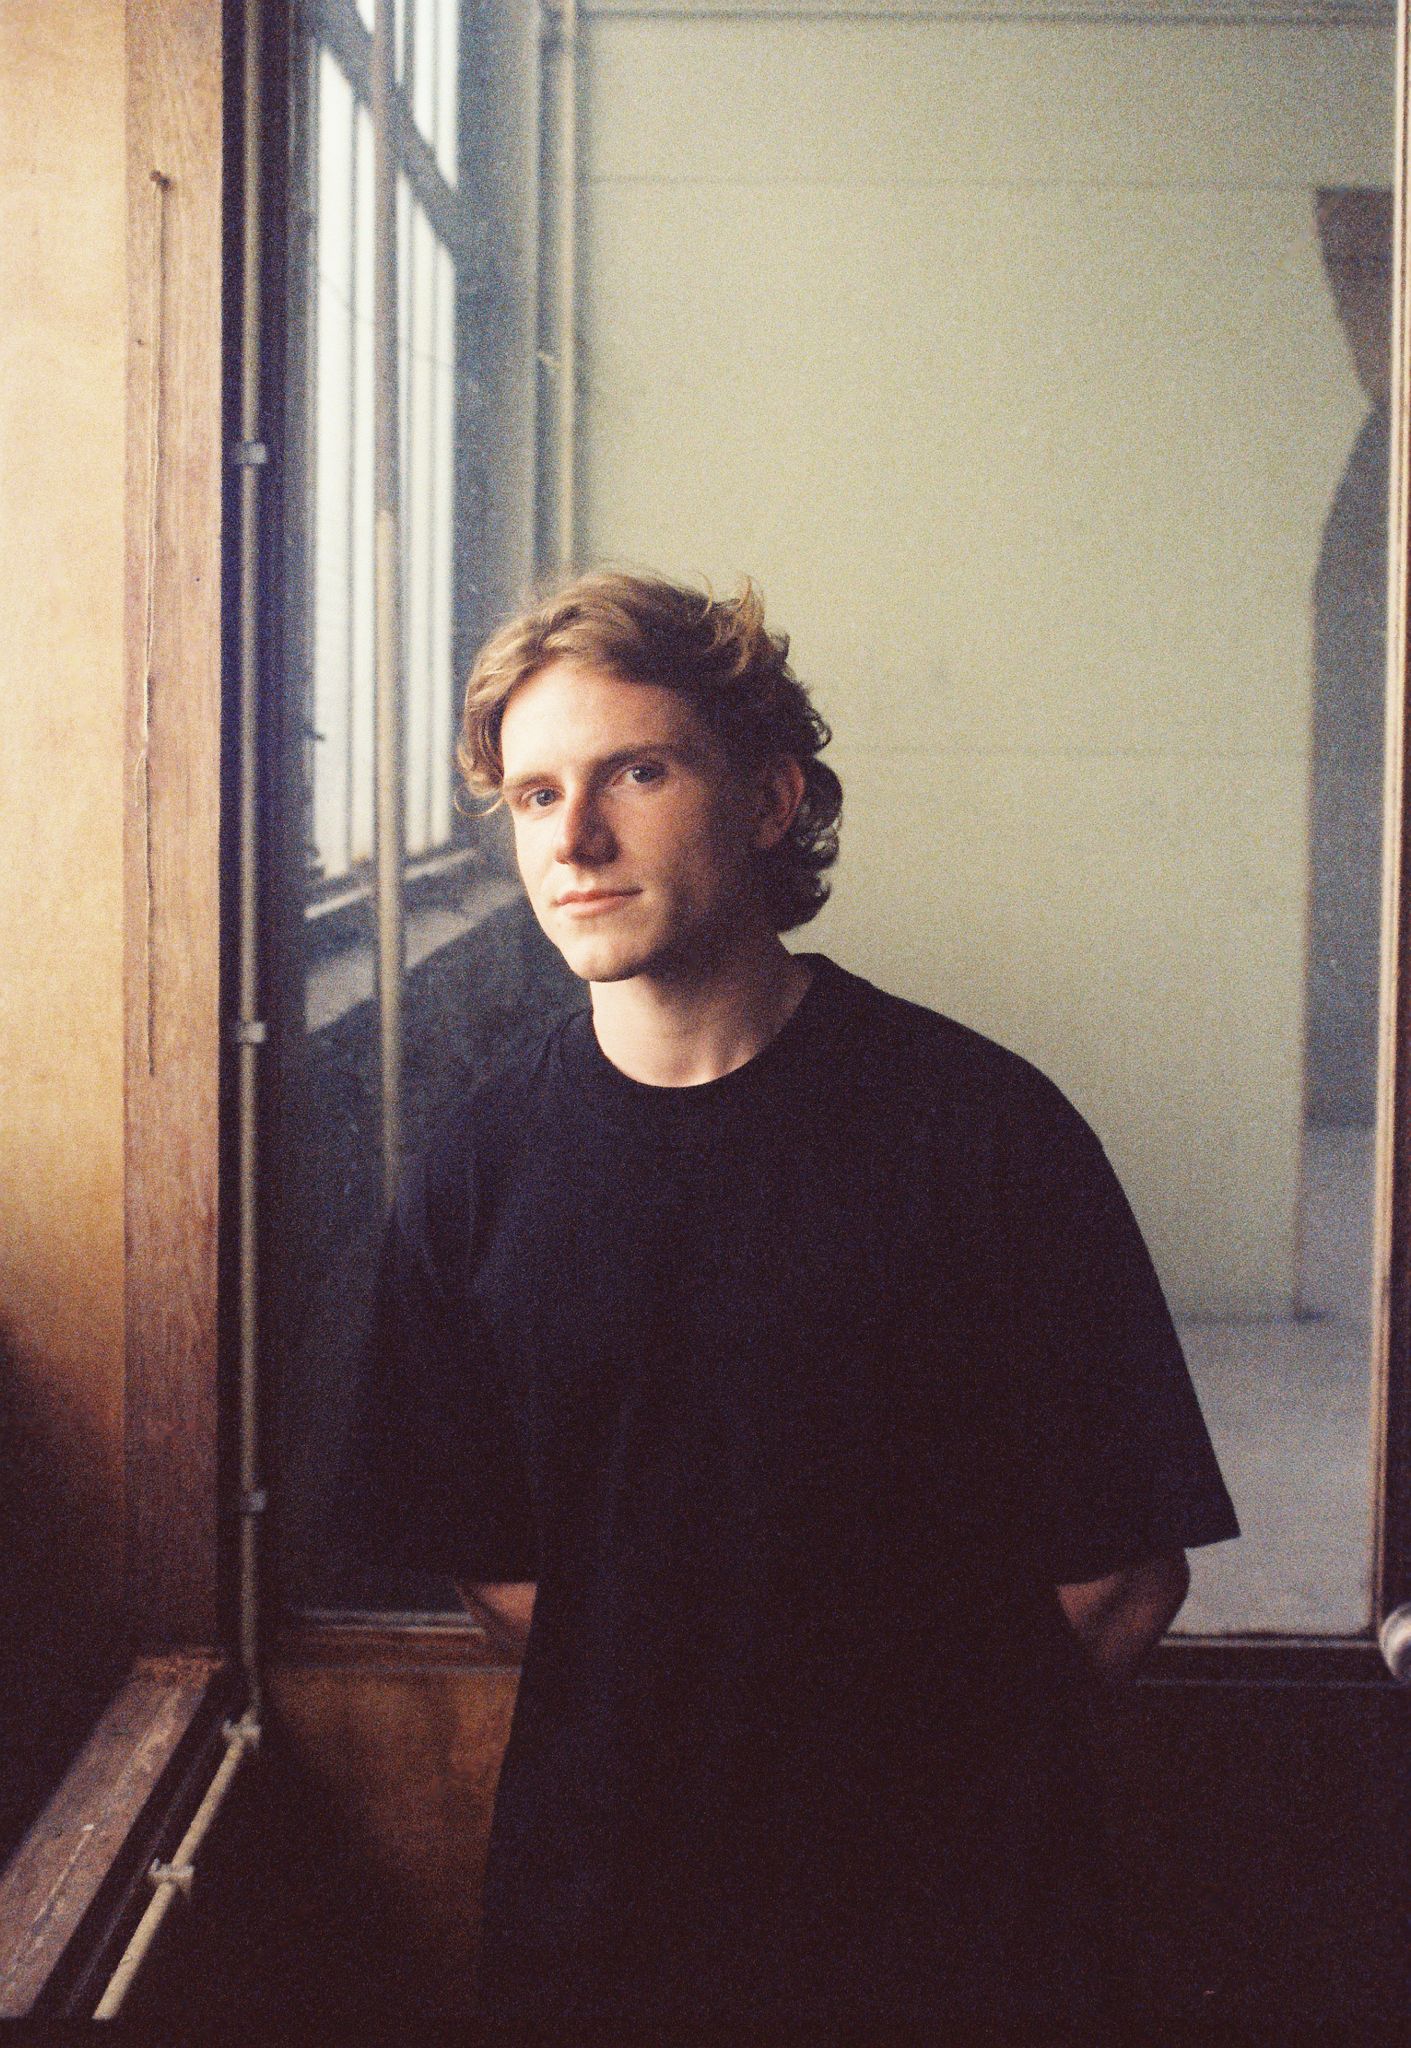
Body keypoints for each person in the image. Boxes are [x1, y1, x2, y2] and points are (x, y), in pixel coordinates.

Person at [348, 568, 1238, 2042]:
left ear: (770, 801)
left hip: (957, 1938)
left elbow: (1122, 1574)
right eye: (530, 795)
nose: (573, 840)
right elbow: (488, 1560)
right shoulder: (474, 1165)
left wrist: (911, 1803)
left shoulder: (984, 1132)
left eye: (636, 772)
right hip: (606, 1929)